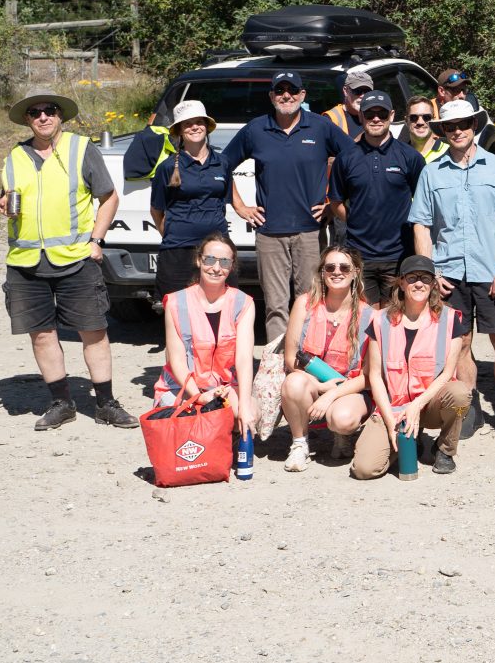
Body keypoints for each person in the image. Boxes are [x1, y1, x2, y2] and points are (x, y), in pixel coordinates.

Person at [0, 91, 136, 431]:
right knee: (42, 335)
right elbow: (8, 197)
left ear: (60, 116)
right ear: (28, 120)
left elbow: (109, 197)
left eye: (49, 111)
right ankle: (62, 403)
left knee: (94, 331)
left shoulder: (80, 148)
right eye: (35, 113)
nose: (43, 117)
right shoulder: (15, 156)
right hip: (26, 261)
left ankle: (105, 403)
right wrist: (3, 203)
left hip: (76, 258)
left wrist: (96, 240)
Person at [409, 97, 495, 439]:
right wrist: (431, 274)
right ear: (442, 131)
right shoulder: (431, 172)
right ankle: (465, 409)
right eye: (449, 126)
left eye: (463, 125)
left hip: (492, 272)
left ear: (475, 126)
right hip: (449, 275)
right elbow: (421, 225)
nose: (457, 131)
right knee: (459, 344)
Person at [220, 70, 351, 348]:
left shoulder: (320, 127)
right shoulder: (256, 129)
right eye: (280, 91)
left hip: (310, 232)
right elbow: (220, 167)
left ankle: (309, 363)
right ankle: (276, 369)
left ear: (303, 95)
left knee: (312, 302)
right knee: (276, 307)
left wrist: (333, 203)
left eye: (292, 90)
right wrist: (240, 205)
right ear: (271, 96)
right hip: (269, 233)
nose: (286, 96)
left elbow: (354, 161)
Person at [353, 255, 472, 479]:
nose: (419, 283)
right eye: (412, 278)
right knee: (364, 469)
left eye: (426, 278)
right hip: (394, 407)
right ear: (401, 282)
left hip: (430, 404)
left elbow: (448, 373)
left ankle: (444, 449)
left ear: (433, 284)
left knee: (460, 396)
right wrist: (390, 422)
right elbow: (375, 377)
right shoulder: (380, 320)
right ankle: (407, 440)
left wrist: (417, 405)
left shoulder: (449, 319)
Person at [151, 233, 257, 437]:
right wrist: (199, 396)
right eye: (210, 260)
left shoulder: (244, 303)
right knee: (185, 421)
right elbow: (177, 362)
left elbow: (244, 359)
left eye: (224, 262)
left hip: (224, 386)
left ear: (231, 266)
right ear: (199, 260)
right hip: (182, 387)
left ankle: (227, 445)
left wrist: (244, 404)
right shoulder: (175, 302)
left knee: (247, 413)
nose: (217, 268)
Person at [279, 245, 374, 471]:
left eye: (344, 267)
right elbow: (291, 358)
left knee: (342, 420)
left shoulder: (369, 314)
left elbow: (369, 375)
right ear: (322, 272)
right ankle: (300, 444)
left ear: (355, 272)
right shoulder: (304, 304)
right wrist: (320, 386)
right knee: (293, 383)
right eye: (330, 267)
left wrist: (331, 394)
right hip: (312, 384)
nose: (337, 272)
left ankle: (342, 435)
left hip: (350, 388)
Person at [334, 90, 425, 305]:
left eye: (382, 114)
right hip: (359, 257)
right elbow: (336, 201)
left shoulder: (410, 156)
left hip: (399, 255)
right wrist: (357, 220)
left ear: (392, 116)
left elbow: (423, 203)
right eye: (370, 113)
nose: (376, 119)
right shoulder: (346, 157)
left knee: (394, 322)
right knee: (365, 323)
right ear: (361, 116)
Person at [148, 100, 229, 301]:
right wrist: (176, 233)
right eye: (187, 123)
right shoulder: (167, 168)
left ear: (207, 126)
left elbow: (224, 201)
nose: (194, 127)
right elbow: (156, 211)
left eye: (199, 122)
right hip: (178, 251)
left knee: (221, 310)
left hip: (217, 250)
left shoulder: (222, 163)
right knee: (178, 314)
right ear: (180, 131)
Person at [435, 67, 495, 157]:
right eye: (456, 90)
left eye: (464, 90)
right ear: (441, 91)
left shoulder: (474, 111)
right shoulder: (425, 114)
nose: (462, 96)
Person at [322, 67, 373, 138]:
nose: (362, 96)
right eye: (357, 91)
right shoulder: (331, 118)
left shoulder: (377, 116)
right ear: (345, 91)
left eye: (367, 92)